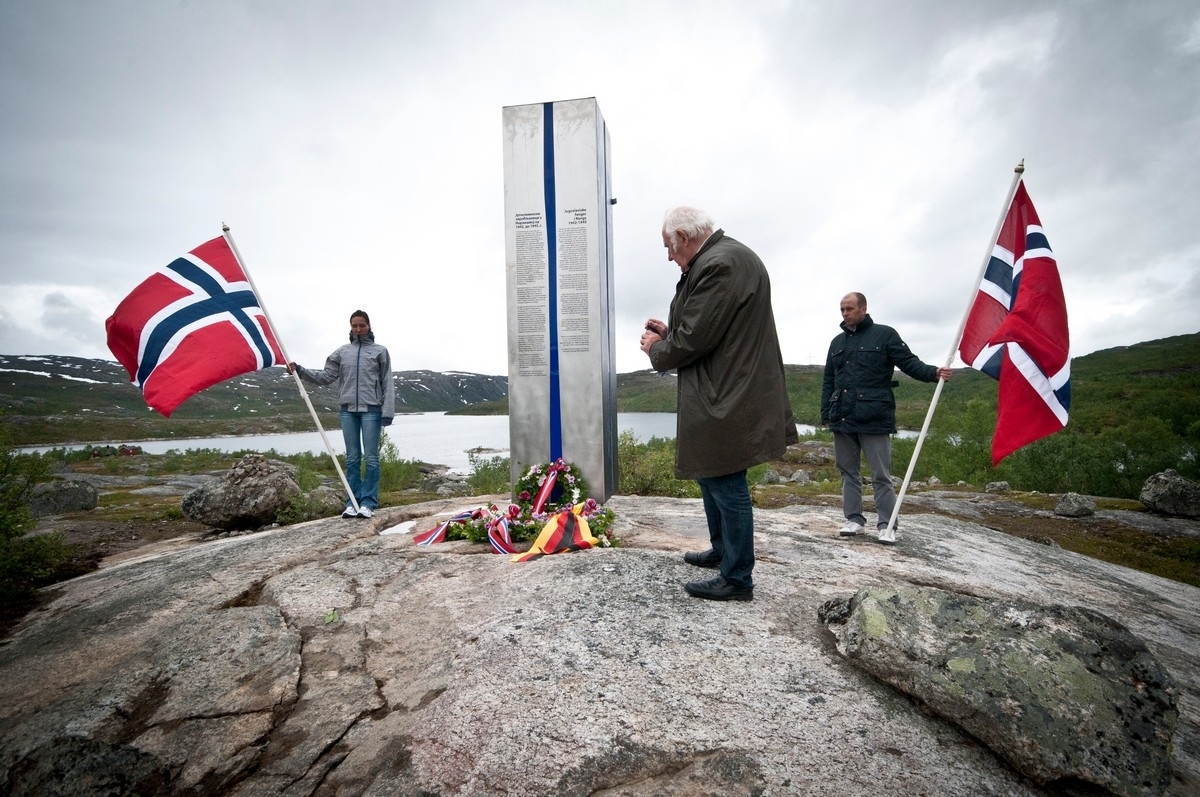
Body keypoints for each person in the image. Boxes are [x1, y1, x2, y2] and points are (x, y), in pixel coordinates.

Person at [640, 206, 797, 602]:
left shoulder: (719, 264)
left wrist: (659, 347)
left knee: (726, 480)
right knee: (713, 472)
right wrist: (671, 330)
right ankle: (723, 550)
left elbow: (696, 339)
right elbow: (709, 327)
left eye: (669, 248)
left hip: (728, 392)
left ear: (685, 239)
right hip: (728, 385)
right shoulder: (726, 257)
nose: (669, 256)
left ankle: (737, 576)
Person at [821, 292, 951, 540]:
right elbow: (829, 380)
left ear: (863, 309)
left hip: (874, 416)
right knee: (848, 471)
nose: (845, 313)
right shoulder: (837, 342)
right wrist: (826, 413)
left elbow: (909, 363)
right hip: (842, 416)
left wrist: (933, 372)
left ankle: (887, 525)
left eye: (849, 309)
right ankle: (853, 520)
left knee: (880, 475)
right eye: (842, 310)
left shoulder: (885, 335)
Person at [287, 310, 395, 519]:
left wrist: (387, 412)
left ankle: (368, 503)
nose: (358, 329)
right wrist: (300, 370)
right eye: (354, 325)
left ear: (369, 326)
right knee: (352, 459)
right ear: (350, 327)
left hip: (371, 411)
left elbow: (387, 383)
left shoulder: (380, 351)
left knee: (371, 459)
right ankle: (352, 503)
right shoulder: (342, 353)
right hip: (347, 412)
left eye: (362, 325)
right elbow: (326, 377)